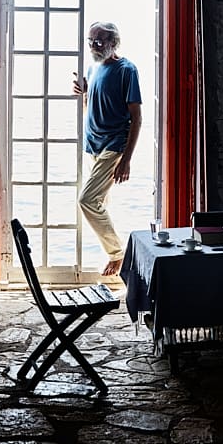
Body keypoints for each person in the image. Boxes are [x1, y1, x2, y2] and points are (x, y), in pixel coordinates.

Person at [72, 21, 142, 277]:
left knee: (87, 200)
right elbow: (95, 101)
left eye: (99, 41)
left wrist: (126, 160)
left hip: (114, 146)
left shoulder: (127, 70)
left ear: (114, 42)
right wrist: (85, 92)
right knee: (98, 201)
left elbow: (136, 117)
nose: (93, 45)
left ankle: (117, 253)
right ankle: (114, 253)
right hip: (93, 145)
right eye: (90, 40)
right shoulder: (94, 66)